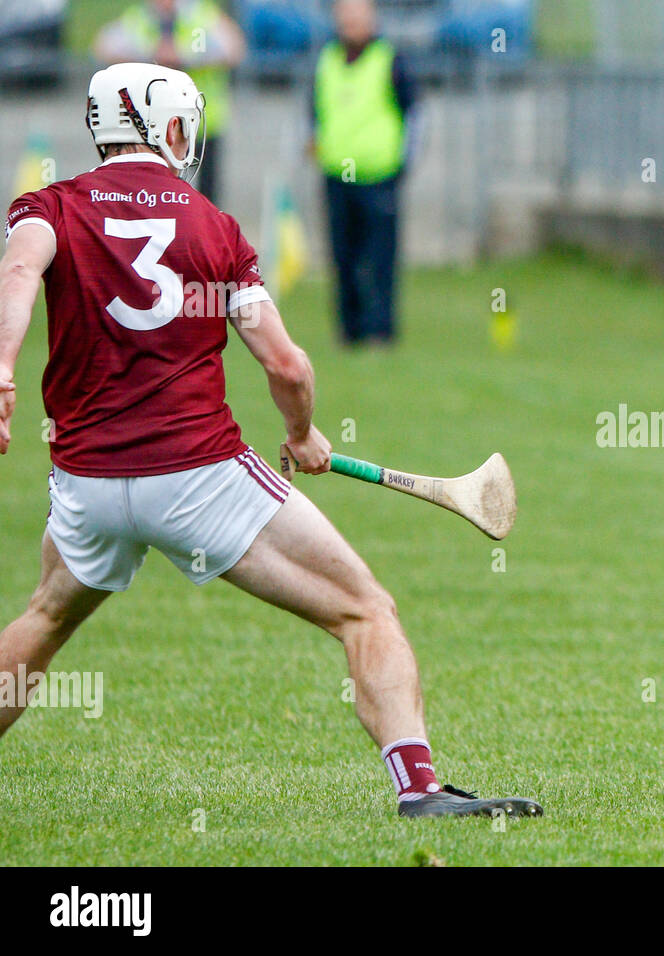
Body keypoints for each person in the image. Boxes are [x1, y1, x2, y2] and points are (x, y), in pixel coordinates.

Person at [0, 63, 540, 820]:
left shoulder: (48, 206)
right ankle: (419, 787)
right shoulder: (214, 229)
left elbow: (19, 270)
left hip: (86, 484)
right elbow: (286, 363)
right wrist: (301, 433)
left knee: (46, 618)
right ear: (175, 130)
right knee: (366, 610)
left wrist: (1, 370)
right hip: (198, 478)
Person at [312, 0, 417, 347]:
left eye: (358, 14)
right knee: (343, 255)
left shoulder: (390, 60)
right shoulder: (326, 60)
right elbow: (313, 113)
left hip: (379, 174)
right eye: (346, 14)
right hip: (336, 175)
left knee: (380, 257)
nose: (352, 21)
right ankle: (350, 330)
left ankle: (381, 331)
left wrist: (404, 163)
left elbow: (415, 114)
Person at [94, 0, 245, 207]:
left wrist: (183, 55)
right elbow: (105, 47)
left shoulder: (203, 15)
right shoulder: (140, 17)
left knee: (207, 197)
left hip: (201, 124)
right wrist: (150, 55)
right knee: (154, 193)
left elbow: (233, 49)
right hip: (151, 127)